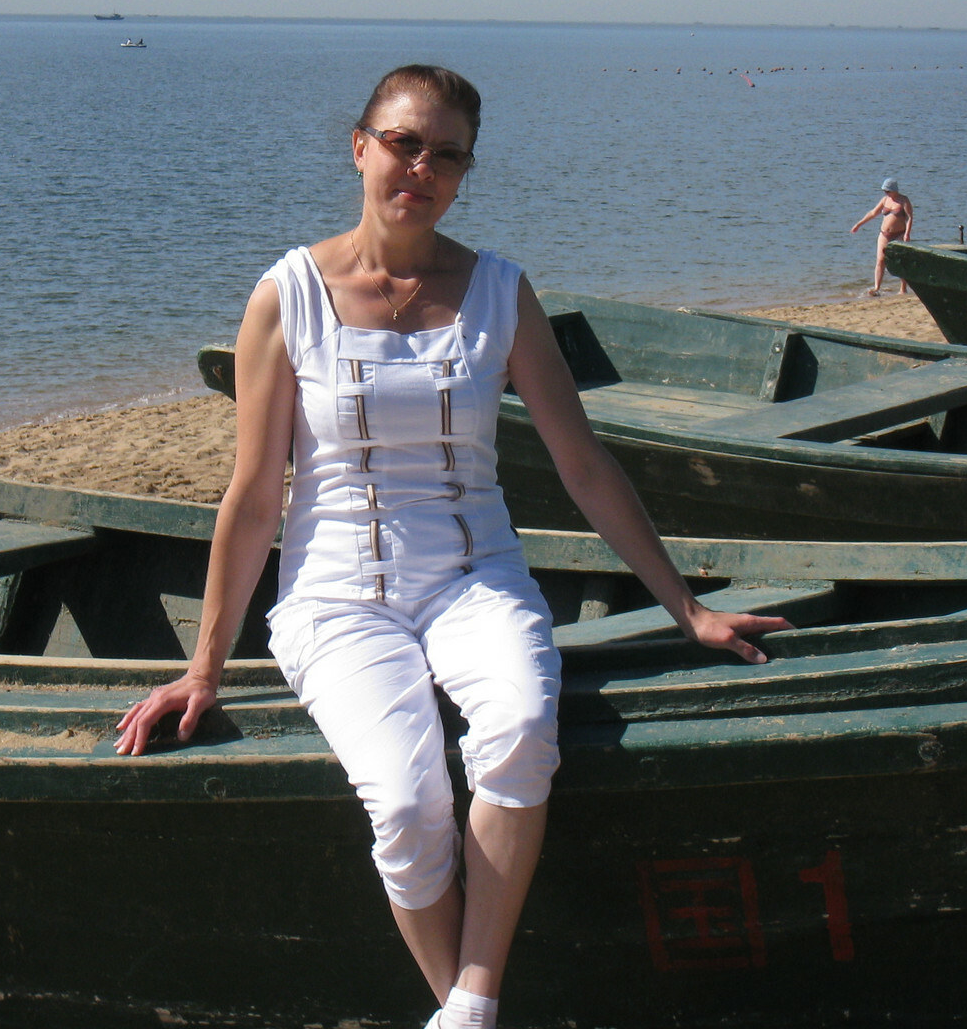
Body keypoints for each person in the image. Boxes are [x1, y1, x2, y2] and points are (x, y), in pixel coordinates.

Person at [114, 65, 790, 1029]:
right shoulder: (287, 295)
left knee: (519, 730)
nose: (421, 168)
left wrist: (687, 608)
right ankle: (467, 1010)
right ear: (360, 147)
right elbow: (256, 496)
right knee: (403, 800)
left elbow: (583, 465)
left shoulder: (501, 294)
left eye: (447, 154)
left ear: (466, 172)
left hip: (476, 579)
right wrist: (204, 669)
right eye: (403, 144)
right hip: (336, 595)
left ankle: (471, 1007)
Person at [851, 176, 913, 296]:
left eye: (888, 191)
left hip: (899, 234)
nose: (886, 193)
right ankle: (877, 288)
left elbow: (909, 217)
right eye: (885, 191)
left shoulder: (904, 200)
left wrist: (907, 233)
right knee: (880, 260)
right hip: (884, 234)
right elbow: (873, 213)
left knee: (900, 262)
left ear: (894, 190)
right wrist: (858, 224)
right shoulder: (885, 200)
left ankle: (903, 288)